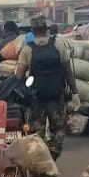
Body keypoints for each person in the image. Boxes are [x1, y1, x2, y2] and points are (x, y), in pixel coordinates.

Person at [15, 13, 77, 163]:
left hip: (37, 98)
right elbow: (68, 71)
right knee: (58, 130)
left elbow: (19, 76)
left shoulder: (27, 50)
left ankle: (39, 162)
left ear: (32, 30)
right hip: (57, 96)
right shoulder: (58, 45)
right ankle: (52, 158)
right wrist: (75, 93)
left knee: (36, 133)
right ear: (46, 28)